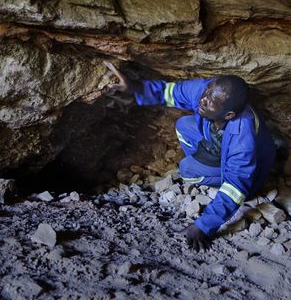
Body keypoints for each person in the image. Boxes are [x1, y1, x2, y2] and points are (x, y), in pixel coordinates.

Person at [104, 61, 276, 251]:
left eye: (211, 101)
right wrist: (134, 88)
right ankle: (208, 162)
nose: (204, 99)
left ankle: (209, 173)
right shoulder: (207, 92)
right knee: (184, 125)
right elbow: (171, 92)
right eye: (207, 91)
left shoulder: (242, 136)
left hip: (251, 171)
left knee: (187, 169)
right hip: (220, 143)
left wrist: (202, 226)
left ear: (229, 115)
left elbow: (237, 185)